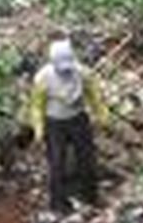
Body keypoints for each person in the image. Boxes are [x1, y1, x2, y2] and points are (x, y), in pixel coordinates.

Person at [29, 40, 107, 212]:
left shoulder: (83, 73)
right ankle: (58, 203)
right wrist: (39, 129)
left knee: (86, 159)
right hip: (54, 123)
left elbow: (94, 96)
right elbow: (36, 106)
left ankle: (89, 196)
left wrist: (102, 116)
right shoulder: (43, 78)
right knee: (57, 163)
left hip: (78, 119)